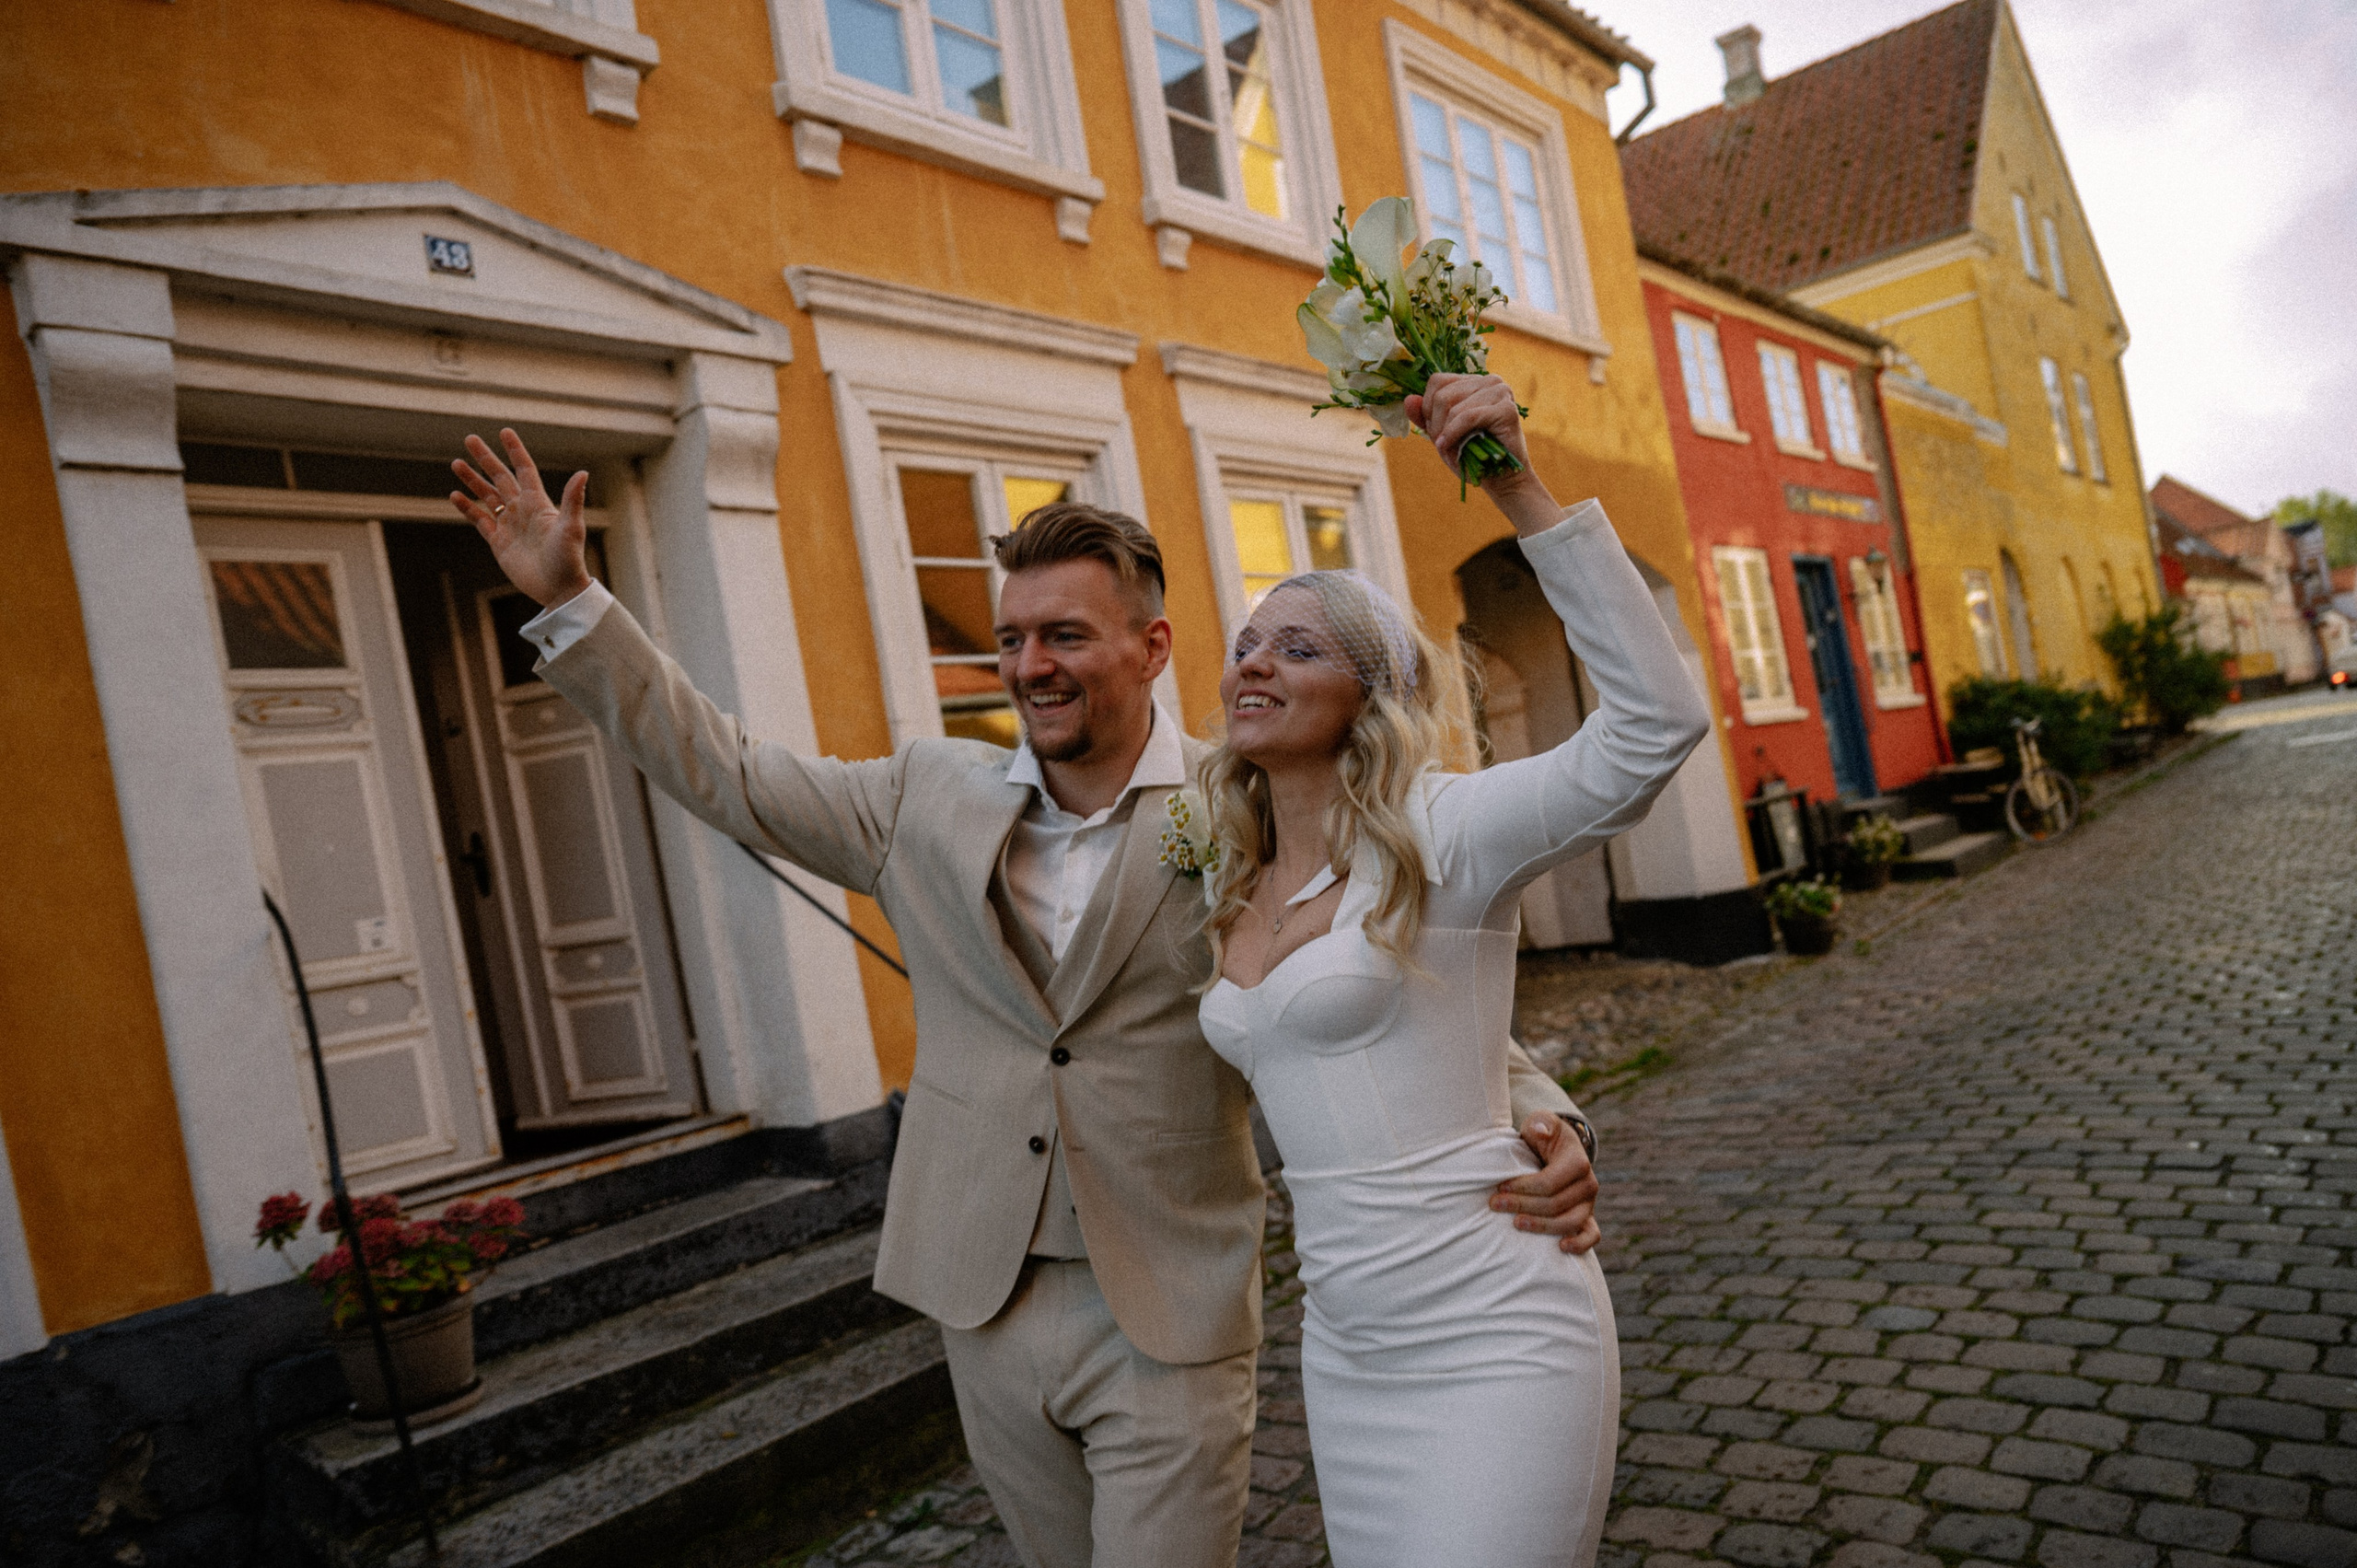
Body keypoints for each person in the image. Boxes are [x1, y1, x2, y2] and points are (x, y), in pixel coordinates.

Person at [447, 422, 1605, 1568]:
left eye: (1063, 634)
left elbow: (1391, 951)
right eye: (1010, 637)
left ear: (1151, 646)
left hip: (1171, 1301)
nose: (1029, 664)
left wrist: (1540, 1108)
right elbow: (729, 770)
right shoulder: (919, 792)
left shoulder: (1250, 805)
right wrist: (576, 606)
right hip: (978, 1285)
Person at [1193, 372, 1711, 1567]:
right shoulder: (1229, 868)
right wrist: (1545, 1101)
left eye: (1300, 644)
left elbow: (1653, 726)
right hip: (1348, 1351)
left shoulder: (1451, 833)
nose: (1255, 663)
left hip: (1496, 1326)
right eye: (1247, 643)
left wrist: (1515, 483)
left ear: (1371, 690)